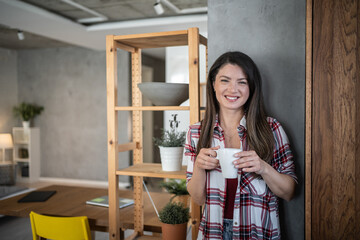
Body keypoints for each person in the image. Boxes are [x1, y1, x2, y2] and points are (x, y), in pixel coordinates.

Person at [184, 51, 297, 240]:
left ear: (251, 87)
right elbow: (198, 198)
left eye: (242, 82)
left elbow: (289, 192)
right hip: (214, 231)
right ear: (213, 84)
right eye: (225, 80)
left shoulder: (272, 128)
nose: (233, 89)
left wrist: (263, 168)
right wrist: (199, 167)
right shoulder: (196, 132)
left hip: (257, 232)